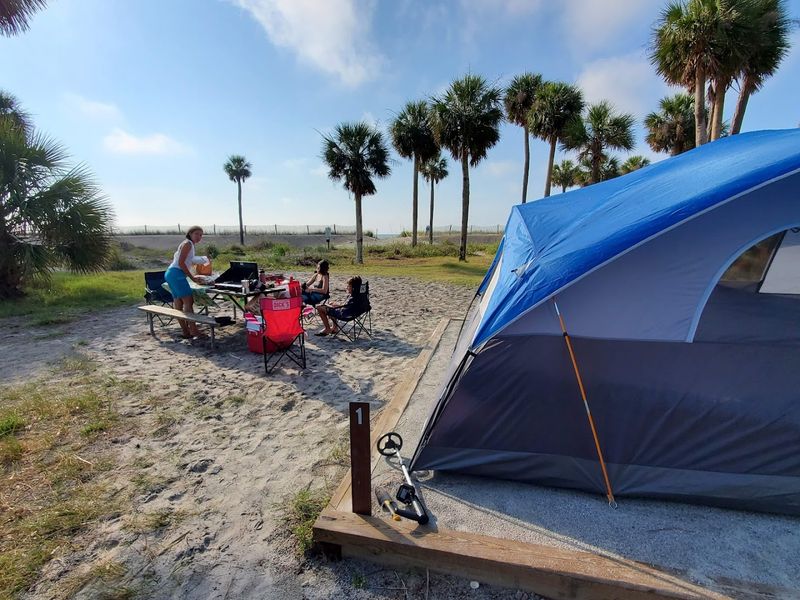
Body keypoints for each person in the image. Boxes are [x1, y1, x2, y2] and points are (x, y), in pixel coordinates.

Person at [164, 225, 206, 339]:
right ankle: (193, 330)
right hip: (176, 274)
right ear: (190, 233)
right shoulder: (188, 244)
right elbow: (181, 263)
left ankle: (186, 331)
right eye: (196, 234)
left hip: (172, 273)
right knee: (188, 301)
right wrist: (192, 278)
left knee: (179, 303)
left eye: (201, 235)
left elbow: (185, 261)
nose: (199, 237)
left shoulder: (188, 244)